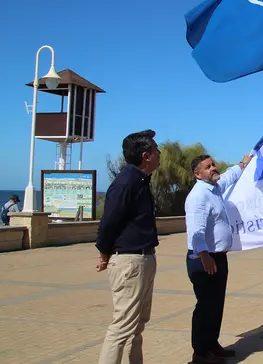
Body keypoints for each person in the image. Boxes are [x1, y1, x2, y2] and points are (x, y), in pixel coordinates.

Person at [95, 130, 161, 364]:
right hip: (130, 262)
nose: (159, 153)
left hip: (144, 259)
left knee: (137, 326)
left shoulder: (140, 181)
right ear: (146, 155)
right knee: (122, 327)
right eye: (155, 150)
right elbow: (108, 223)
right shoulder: (126, 183)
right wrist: (104, 253)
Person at [185, 153, 253, 364]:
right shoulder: (199, 196)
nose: (214, 168)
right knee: (205, 306)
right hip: (204, 259)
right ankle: (201, 353)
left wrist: (243, 164)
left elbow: (228, 177)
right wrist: (204, 255)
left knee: (216, 305)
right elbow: (196, 230)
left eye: (213, 164)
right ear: (198, 174)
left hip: (218, 257)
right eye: (208, 167)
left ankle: (211, 344)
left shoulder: (214, 188)